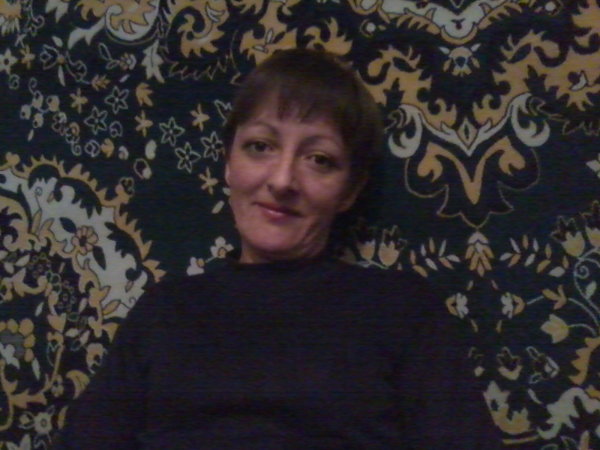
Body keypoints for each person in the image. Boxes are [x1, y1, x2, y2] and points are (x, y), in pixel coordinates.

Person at [55, 48, 502, 449]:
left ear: (350, 190)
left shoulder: (402, 310)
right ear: (229, 163)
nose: (283, 180)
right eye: (260, 146)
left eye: (319, 159)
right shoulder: (163, 311)